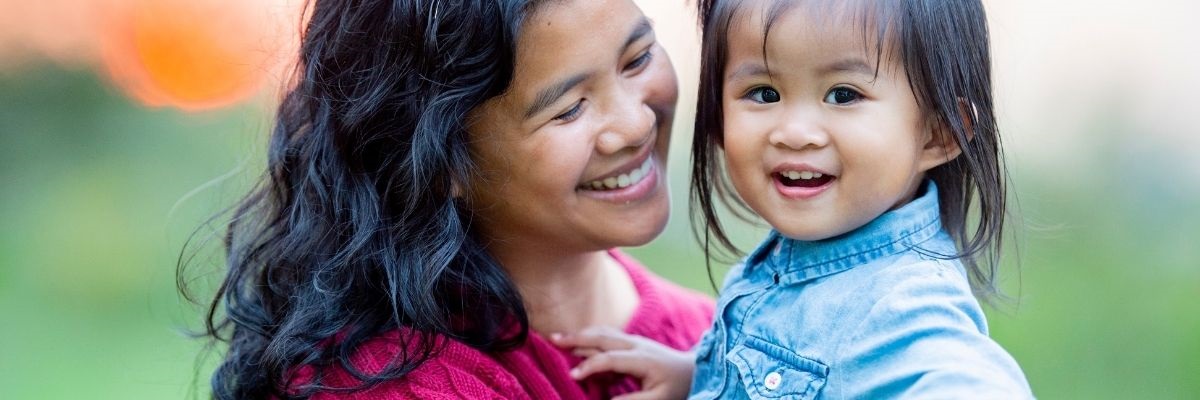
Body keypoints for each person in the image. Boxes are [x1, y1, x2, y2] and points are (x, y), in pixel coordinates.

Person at [185, 0, 714, 398]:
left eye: (638, 57)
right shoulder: (394, 380)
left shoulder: (727, 333)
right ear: (440, 162)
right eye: (569, 109)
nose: (634, 124)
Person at [552, 0, 1034, 398]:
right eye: (763, 93)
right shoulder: (812, 256)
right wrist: (697, 376)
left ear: (939, 133)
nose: (795, 133)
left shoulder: (899, 304)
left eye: (843, 95)